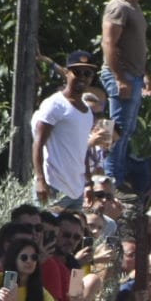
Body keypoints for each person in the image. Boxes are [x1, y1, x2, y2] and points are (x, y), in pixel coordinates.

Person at [100, 0, 151, 189]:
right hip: (121, 76)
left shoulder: (135, 7)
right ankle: (111, 179)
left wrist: (146, 74)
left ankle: (117, 178)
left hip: (135, 76)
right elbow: (109, 43)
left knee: (127, 130)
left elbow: (138, 46)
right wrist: (120, 78)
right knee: (117, 130)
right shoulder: (119, 6)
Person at [32, 52, 100, 206]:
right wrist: (40, 180)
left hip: (76, 191)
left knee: (73, 230)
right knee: (47, 229)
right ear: (67, 72)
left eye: (88, 73)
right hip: (53, 187)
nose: (82, 77)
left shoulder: (87, 111)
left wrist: (88, 183)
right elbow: (38, 143)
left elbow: (82, 151)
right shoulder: (55, 104)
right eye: (77, 72)